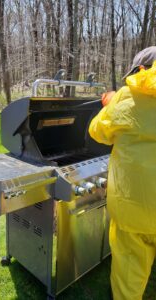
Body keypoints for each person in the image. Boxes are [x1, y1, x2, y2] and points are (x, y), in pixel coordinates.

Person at [88, 46, 156, 300]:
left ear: (140, 70)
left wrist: (109, 102)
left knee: (130, 268)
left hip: (134, 208)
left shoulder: (125, 97)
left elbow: (97, 131)